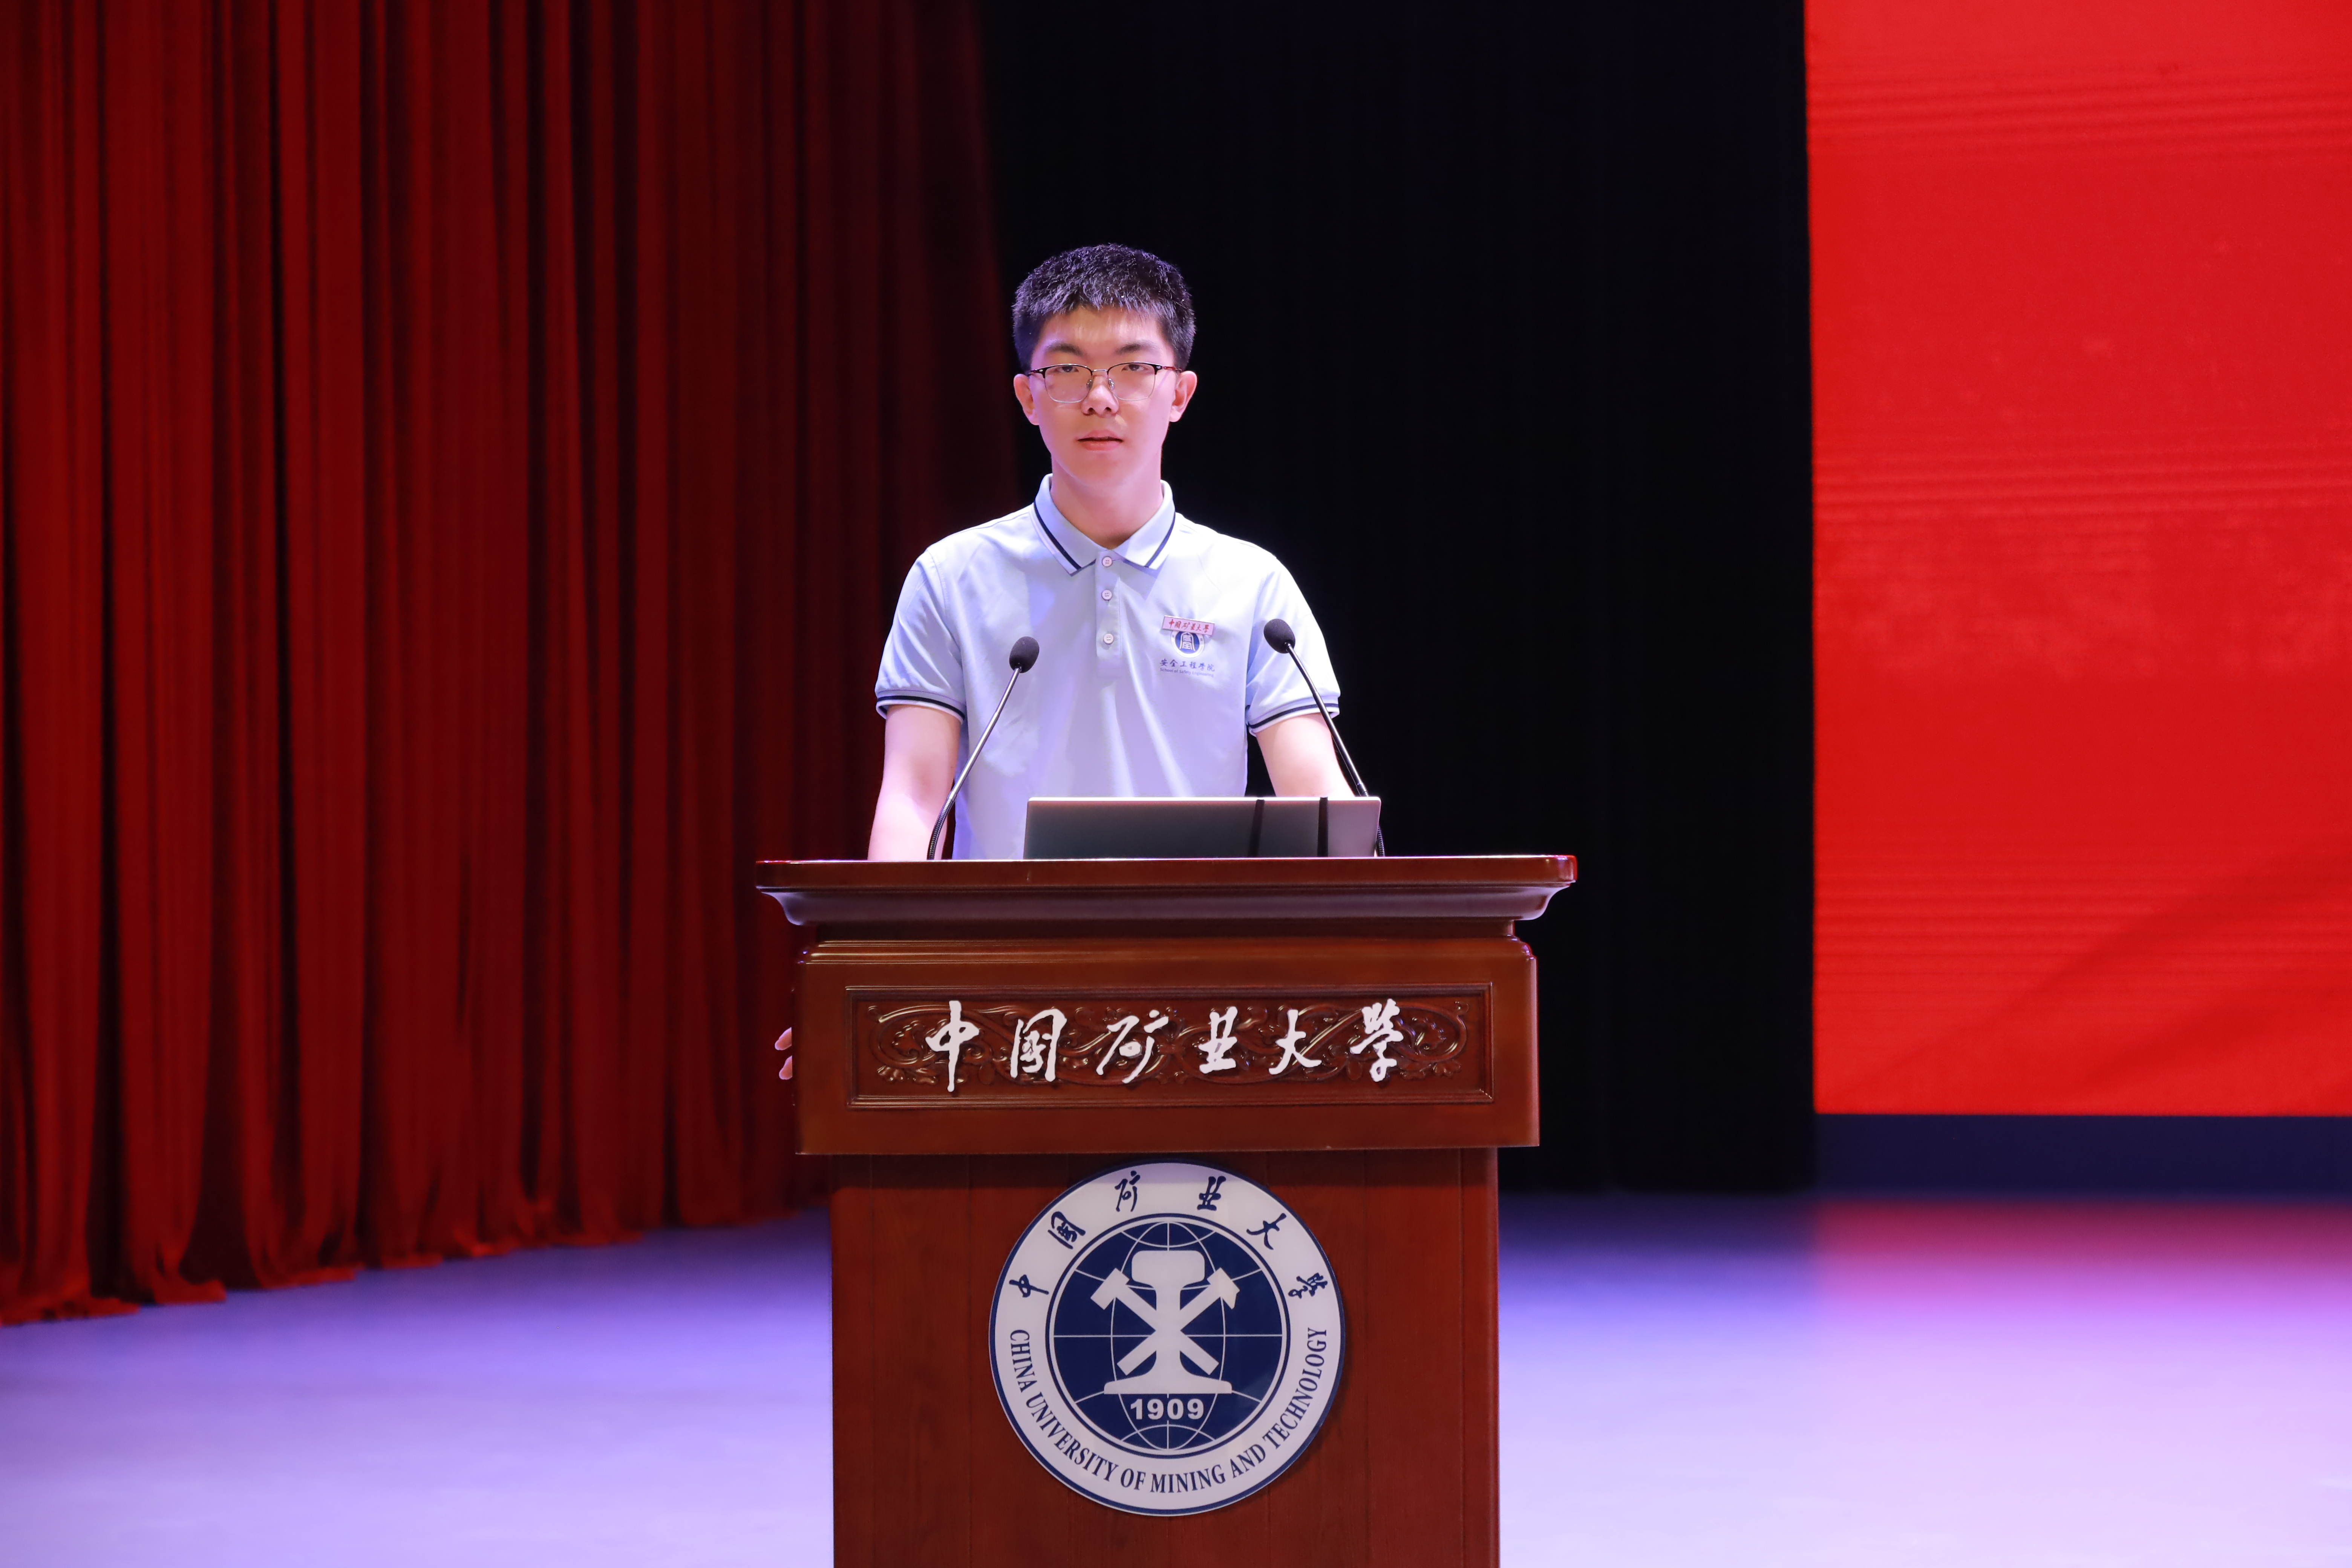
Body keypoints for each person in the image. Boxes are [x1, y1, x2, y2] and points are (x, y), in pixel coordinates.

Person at [866, 244, 1352, 860]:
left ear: (1179, 395)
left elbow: (1319, 801)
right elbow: (912, 802)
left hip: (1197, 923)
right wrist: (893, 920)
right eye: (1068, 370)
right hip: (1009, 924)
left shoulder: (1253, 584)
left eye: (1133, 368)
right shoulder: (949, 578)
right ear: (1028, 397)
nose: (1100, 397)